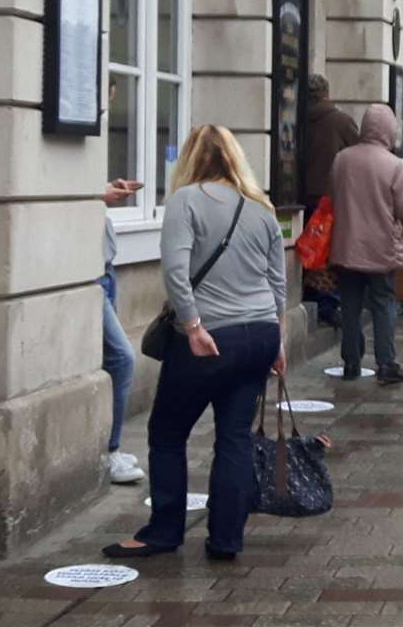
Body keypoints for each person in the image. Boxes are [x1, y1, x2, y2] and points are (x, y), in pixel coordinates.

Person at [104, 126, 286, 562]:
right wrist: (277, 337)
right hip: (259, 334)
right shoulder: (261, 208)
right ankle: (226, 540)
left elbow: (175, 271)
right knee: (234, 437)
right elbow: (277, 280)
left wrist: (192, 326)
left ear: (189, 159)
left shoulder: (186, 200)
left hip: (211, 335)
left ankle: (164, 532)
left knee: (167, 433)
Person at [329, 104, 403, 384]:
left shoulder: (342, 159)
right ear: (389, 130)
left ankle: (351, 362)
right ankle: (386, 364)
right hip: (381, 248)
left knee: (350, 306)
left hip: (346, 246)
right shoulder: (394, 165)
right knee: (383, 304)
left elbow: (334, 195)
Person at [301, 75, 358, 328]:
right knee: (328, 252)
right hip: (331, 199)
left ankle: (309, 293)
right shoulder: (342, 122)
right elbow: (358, 156)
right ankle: (327, 302)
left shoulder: (298, 119)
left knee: (308, 249)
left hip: (301, 197)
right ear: (326, 93)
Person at [100, 174, 144, 485]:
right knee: (122, 357)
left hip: (105, 270)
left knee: (107, 360)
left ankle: (108, 447)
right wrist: (98, 194)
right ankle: (110, 451)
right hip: (90, 276)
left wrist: (103, 191)